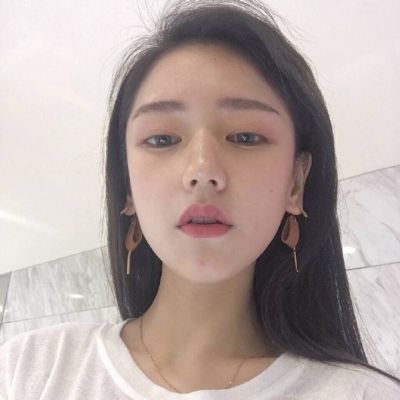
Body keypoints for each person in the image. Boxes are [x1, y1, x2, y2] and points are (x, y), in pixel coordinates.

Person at [1, 0, 399, 398]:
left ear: (296, 183)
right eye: (162, 139)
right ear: (127, 186)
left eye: (245, 137)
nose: (203, 169)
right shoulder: (30, 368)